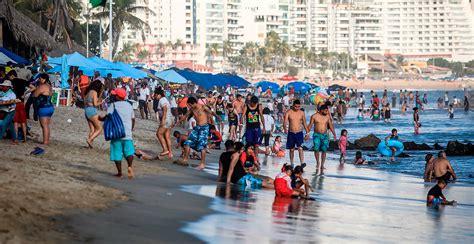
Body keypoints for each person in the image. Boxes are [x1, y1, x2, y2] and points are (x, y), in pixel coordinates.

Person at [175, 96, 221, 170]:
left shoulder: (203, 107)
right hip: (197, 127)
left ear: (192, 103)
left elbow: (211, 112)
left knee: (202, 146)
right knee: (187, 142)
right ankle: (185, 160)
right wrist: (178, 122)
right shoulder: (192, 109)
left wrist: (217, 116)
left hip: (204, 128)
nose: (189, 106)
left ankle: (202, 164)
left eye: (189, 105)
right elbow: (185, 116)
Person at [101, 88, 135, 178]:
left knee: (117, 152)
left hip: (116, 133)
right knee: (129, 152)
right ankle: (130, 166)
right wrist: (131, 129)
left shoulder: (113, 105)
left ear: (118, 96)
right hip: (127, 133)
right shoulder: (129, 105)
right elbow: (133, 119)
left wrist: (101, 119)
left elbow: (108, 116)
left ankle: (120, 173)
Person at [308, 104, 337, 175]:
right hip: (316, 135)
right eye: (326, 111)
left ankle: (322, 164)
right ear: (321, 110)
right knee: (316, 149)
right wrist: (307, 134)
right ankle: (318, 162)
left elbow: (330, 126)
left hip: (324, 135)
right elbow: (310, 125)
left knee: (324, 150)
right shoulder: (314, 116)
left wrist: (334, 134)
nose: (327, 112)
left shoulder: (327, 117)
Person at [284, 100, 309, 166]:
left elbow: (304, 123)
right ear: (293, 105)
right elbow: (285, 122)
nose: (297, 108)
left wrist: (307, 133)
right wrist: (285, 129)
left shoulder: (301, 113)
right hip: (291, 133)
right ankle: (292, 163)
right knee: (291, 149)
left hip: (299, 133)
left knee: (300, 148)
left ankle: (302, 163)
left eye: (298, 107)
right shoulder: (289, 112)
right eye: (295, 106)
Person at [33, 74, 54, 145]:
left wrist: (35, 89)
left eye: (40, 79)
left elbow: (35, 95)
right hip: (50, 107)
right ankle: (46, 140)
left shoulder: (43, 86)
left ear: (44, 79)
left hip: (43, 107)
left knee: (44, 126)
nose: (39, 80)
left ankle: (45, 142)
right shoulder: (50, 87)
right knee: (46, 126)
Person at [84, 80, 104, 148]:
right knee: (99, 129)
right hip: (92, 111)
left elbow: (86, 102)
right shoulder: (94, 92)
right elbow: (95, 104)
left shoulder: (88, 92)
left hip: (86, 110)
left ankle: (90, 145)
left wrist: (100, 94)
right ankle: (90, 140)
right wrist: (101, 103)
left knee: (92, 130)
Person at [155, 87, 173, 159]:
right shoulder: (165, 99)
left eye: (155, 95)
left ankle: (165, 150)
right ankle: (170, 153)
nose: (155, 97)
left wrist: (163, 120)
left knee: (159, 134)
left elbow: (165, 109)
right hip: (169, 120)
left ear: (159, 94)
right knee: (167, 136)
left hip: (166, 120)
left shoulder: (162, 100)